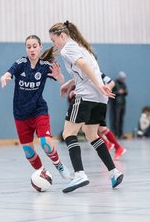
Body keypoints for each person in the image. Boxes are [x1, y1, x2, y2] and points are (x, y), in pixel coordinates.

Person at [48, 21, 124, 193]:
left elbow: (83, 66)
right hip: (100, 100)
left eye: (54, 40)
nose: (54, 45)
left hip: (86, 97)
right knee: (92, 135)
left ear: (63, 35)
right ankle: (114, 171)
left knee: (68, 133)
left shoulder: (68, 48)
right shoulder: (83, 48)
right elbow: (86, 71)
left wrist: (99, 86)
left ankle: (80, 174)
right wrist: (69, 84)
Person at [0, 35, 72, 183]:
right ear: (26, 49)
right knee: (28, 151)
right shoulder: (21, 63)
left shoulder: (45, 66)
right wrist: (5, 77)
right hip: (20, 114)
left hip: (39, 110)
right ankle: (42, 173)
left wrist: (58, 76)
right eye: (28, 46)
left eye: (34, 46)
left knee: (45, 142)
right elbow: (9, 73)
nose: (32, 49)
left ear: (40, 48)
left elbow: (61, 80)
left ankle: (59, 166)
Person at [67, 74, 126, 159]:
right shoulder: (83, 71)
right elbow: (79, 81)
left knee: (97, 128)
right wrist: (69, 87)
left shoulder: (97, 72)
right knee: (87, 128)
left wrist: (105, 89)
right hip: (91, 102)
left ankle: (117, 147)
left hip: (97, 102)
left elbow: (111, 82)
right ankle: (110, 144)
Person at [109, 71, 128, 139]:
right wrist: (118, 92)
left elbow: (126, 92)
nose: (123, 79)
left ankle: (120, 133)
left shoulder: (123, 84)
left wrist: (123, 92)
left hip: (122, 104)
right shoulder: (114, 84)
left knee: (121, 119)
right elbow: (111, 93)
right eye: (122, 78)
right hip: (116, 104)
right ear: (119, 78)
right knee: (115, 119)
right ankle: (115, 133)